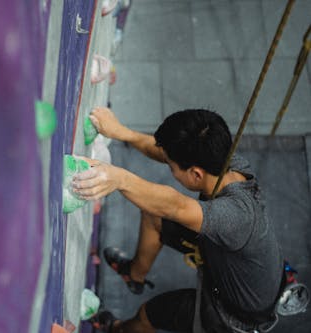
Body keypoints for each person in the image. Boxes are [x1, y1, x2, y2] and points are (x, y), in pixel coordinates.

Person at [72, 107, 284, 333]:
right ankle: (135, 275)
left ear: (196, 174)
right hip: (226, 255)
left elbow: (175, 205)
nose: (169, 168)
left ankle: (116, 330)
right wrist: (122, 132)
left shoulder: (235, 216)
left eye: (172, 168)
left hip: (235, 313)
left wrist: (118, 178)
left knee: (148, 316)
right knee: (155, 214)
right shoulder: (224, 162)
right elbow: (165, 154)